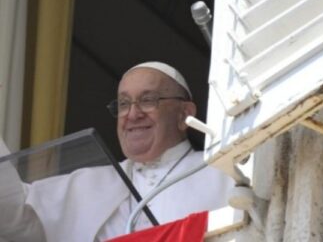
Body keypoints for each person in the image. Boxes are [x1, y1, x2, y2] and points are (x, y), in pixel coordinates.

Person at [0, 62, 235, 242]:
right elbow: (13, 218)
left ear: (185, 114)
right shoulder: (87, 184)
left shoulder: (222, 172)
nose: (132, 114)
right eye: (123, 104)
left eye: (148, 100)